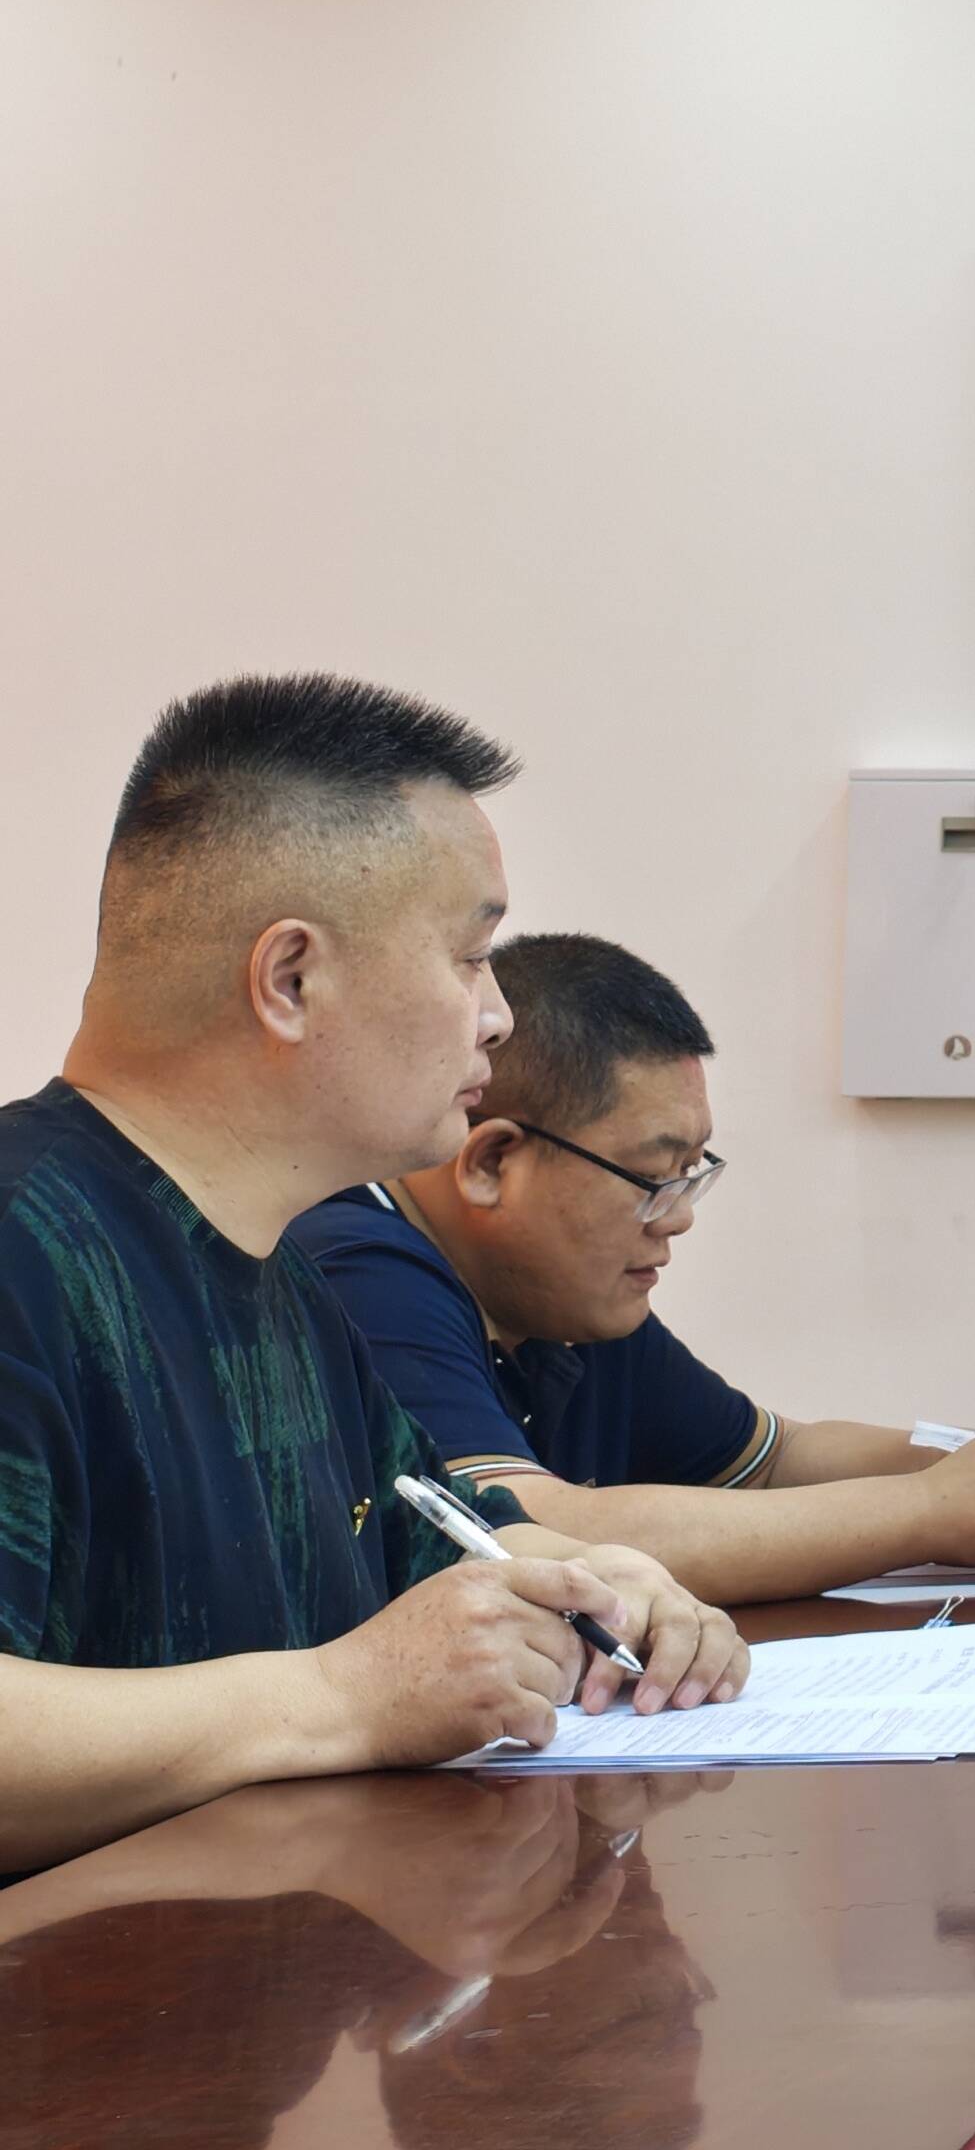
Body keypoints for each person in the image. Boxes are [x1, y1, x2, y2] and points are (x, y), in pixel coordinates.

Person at [0, 678, 746, 1879]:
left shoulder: (290, 1283)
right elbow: (369, 1679)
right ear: (292, 979)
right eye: (471, 956)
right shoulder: (23, 1251)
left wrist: (590, 1593)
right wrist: (340, 1697)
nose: (497, 1019)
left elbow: (439, 1567)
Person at [288, 932, 975, 1607]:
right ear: (491, 1163)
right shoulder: (359, 1267)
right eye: (654, 1178)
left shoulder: (559, 1303)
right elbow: (523, 1527)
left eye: (693, 1174)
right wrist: (936, 1510)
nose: (677, 1218)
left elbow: (777, 1456)